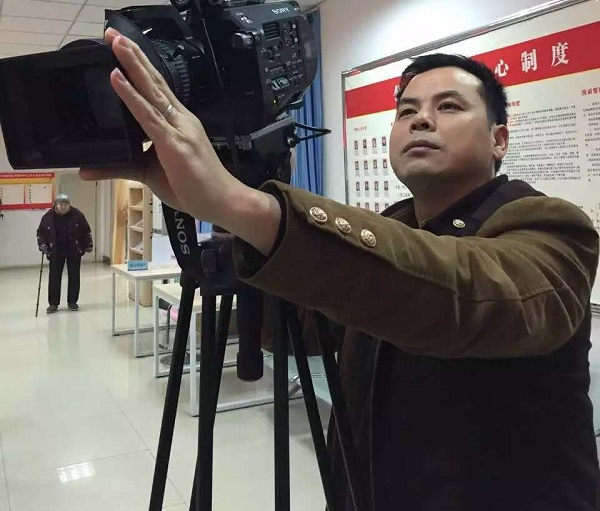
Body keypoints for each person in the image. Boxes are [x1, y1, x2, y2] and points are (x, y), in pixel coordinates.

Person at [82, 29, 600, 511]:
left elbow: (469, 292)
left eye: (449, 106)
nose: (420, 120)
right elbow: (301, 332)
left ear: (498, 140)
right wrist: (242, 232)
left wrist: (251, 208)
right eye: (407, 110)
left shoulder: (551, 227)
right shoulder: (395, 223)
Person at [37, 194, 93, 313]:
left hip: (74, 249)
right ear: (56, 205)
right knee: (54, 277)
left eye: (66, 204)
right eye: (61, 204)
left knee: (74, 276)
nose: (63, 207)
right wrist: (42, 245)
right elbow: (41, 233)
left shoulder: (77, 215)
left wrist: (88, 245)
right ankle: (53, 303)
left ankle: (72, 302)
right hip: (55, 250)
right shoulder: (48, 217)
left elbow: (86, 231)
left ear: (69, 205)